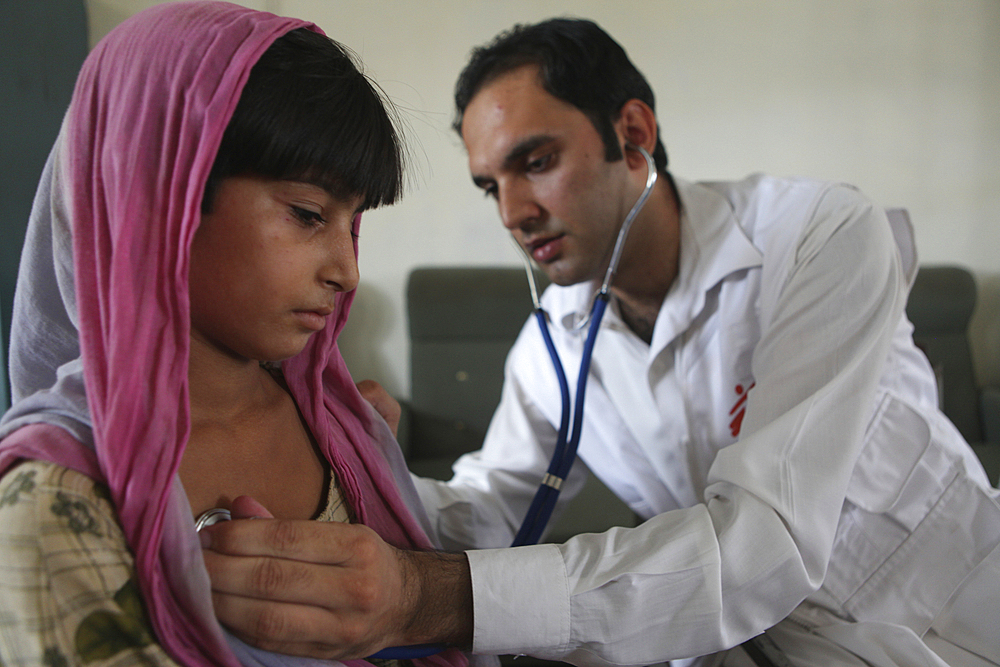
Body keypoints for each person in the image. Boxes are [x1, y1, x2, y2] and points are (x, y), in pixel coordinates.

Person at [200, 17, 1000, 667]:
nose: (513, 212)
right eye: (491, 185)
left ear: (634, 133)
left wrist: (430, 594)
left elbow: (766, 545)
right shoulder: (555, 340)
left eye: (535, 162)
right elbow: (486, 509)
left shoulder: (819, 239)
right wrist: (351, 463)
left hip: (962, 623)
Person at [0, 3, 471, 667]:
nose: (347, 270)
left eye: (352, 223)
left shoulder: (344, 429)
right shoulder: (52, 510)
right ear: (160, 198)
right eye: (308, 214)